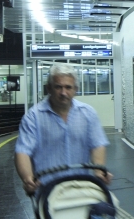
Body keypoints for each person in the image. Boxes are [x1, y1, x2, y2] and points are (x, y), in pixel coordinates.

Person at [15, 63, 112, 194]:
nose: (63, 93)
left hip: (82, 189)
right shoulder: (33, 117)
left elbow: (97, 144)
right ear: (49, 88)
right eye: (58, 87)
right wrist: (28, 178)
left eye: (68, 87)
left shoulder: (88, 113)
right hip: (47, 192)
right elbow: (22, 152)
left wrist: (99, 170)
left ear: (75, 89)